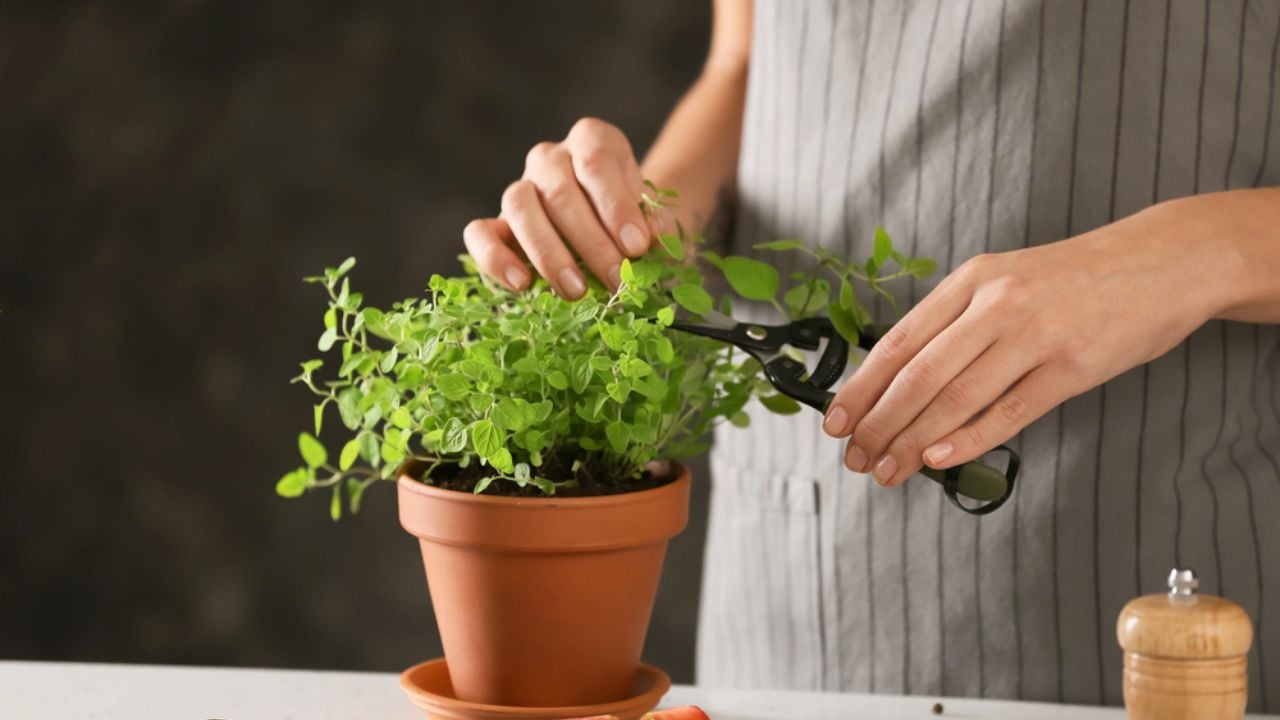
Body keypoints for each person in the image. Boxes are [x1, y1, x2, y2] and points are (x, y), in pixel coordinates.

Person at [462, 0, 1280, 711]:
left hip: (1153, 575)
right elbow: (747, 61)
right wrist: (640, 221)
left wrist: (1189, 255)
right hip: (798, 583)